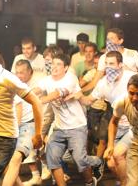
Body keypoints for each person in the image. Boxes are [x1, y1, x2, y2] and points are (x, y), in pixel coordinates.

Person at [68, 51, 136, 185]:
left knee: (118, 155)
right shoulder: (103, 83)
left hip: (134, 127)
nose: (108, 67)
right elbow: (88, 100)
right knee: (111, 164)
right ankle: (128, 181)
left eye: (112, 64)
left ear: (120, 64)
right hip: (117, 126)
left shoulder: (132, 78)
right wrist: (78, 96)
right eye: (106, 64)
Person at [37, 53, 102, 186]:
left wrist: (40, 101)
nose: (54, 66)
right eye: (53, 63)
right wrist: (26, 95)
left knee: (80, 160)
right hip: (59, 127)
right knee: (52, 157)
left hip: (77, 127)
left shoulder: (70, 78)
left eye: (59, 64)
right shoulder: (47, 79)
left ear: (66, 67)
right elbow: (36, 90)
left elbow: (58, 93)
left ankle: (94, 170)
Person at [0, 59, 44, 186]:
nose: (19, 75)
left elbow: (40, 91)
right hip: (11, 125)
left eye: (22, 72)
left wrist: (39, 133)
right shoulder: (12, 82)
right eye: (17, 72)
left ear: (30, 72)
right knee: (5, 162)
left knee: (15, 158)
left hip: (28, 124)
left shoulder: (37, 83)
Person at [81, 28, 138, 93]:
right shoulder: (104, 57)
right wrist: (80, 92)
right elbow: (95, 81)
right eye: (107, 39)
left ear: (120, 41)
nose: (109, 41)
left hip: (130, 95)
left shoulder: (132, 54)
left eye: (112, 38)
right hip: (111, 98)